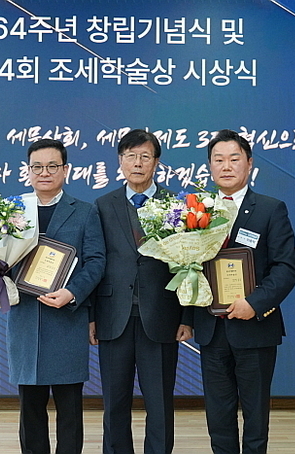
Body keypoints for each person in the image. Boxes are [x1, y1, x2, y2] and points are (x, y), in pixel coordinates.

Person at [192, 129, 295, 454]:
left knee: (255, 413)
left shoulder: (270, 209)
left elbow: (285, 268)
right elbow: (187, 269)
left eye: (234, 159)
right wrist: (186, 318)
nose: (226, 166)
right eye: (218, 160)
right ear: (210, 166)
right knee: (218, 414)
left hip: (255, 327)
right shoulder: (196, 210)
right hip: (211, 328)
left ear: (249, 163)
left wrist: (254, 303)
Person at [92, 129, 193, 454]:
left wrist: (187, 317)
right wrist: (91, 316)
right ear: (120, 161)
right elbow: (94, 262)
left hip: (162, 317)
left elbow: (190, 264)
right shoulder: (102, 205)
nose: (137, 163)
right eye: (131, 156)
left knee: (160, 402)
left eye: (145, 157)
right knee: (114, 402)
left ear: (156, 162)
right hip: (113, 317)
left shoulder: (176, 205)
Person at [3, 138, 105, 454]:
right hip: (26, 318)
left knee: (69, 406)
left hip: (66, 318)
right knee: (30, 406)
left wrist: (72, 292)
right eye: (37, 167)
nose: (44, 173)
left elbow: (96, 261)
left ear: (65, 170)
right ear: (28, 171)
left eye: (52, 166)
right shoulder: (12, 211)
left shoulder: (85, 212)